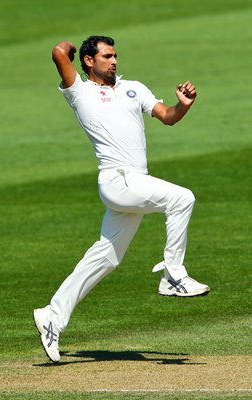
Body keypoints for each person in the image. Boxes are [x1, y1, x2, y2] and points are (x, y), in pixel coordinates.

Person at [34, 35, 210, 363]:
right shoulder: (79, 91)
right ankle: (173, 275)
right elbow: (59, 53)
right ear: (89, 61)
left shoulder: (135, 88)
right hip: (117, 180)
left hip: (135, 184)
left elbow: (166, 115)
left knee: (105, 257)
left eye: (115, 55)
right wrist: (71, 47)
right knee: (182, 198)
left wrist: (182, 107)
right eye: (106, 56)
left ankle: (51, 316)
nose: (114, 61)